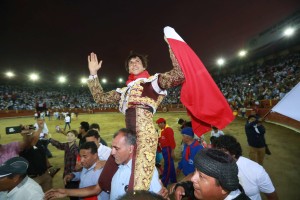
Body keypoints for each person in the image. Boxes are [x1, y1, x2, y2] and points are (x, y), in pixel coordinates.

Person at [86, 47, 184, 191]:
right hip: (127, 136)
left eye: (137, 61)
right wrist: (93, 73)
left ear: (144, 66)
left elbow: (179, 74)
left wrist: (172, 45)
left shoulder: (153, 82)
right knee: (105, 179)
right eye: (131, 63)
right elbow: (100, 98)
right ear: (128, 69)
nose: (134, 63)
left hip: (145, 136)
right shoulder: (124, 91)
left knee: (139, 184)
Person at [44, 128, 167, 200]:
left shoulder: (146, 170)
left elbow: (159, 196)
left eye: (116, 148)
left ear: (131, 149)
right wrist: (66, 192)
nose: (112, 152)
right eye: (112, 147)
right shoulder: (112, 164)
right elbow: (97, 188)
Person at [215, 135, 278, 200]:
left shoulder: (256, 170)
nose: (218, 155)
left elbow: (272, 196)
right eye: (217, 151)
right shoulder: (214, 167)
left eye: (223, 151)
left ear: (233, 152)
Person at [173, 149, 250, 200]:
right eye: (195, 171)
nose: (192, 178)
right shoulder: (211, 192)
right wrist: (183, 187)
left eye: (201, 176)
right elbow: (193, 189)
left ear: (223, 189)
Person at [49, 130, 80, 200]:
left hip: (73, 177)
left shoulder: (76, 150)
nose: (69, 137)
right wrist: (50, 139)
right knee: (70, 194)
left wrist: (72, 175)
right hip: (67, 175)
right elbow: (59, 145)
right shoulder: (67, 145)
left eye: (72, 135)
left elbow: (78, 165)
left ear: (75, 138)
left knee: (74, 196)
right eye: (68, 135)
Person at [156, 118, 177, 186]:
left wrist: (172, 151)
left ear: (163, 123)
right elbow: (162, 139)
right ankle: (173, 179)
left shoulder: (168, 129)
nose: (158, 125)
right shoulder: (163, 130)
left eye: (159, 124)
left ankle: (165, 181)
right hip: (165, 149)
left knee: (167, 165)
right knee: (170, 164)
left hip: (168, 149)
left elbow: (172, 141)